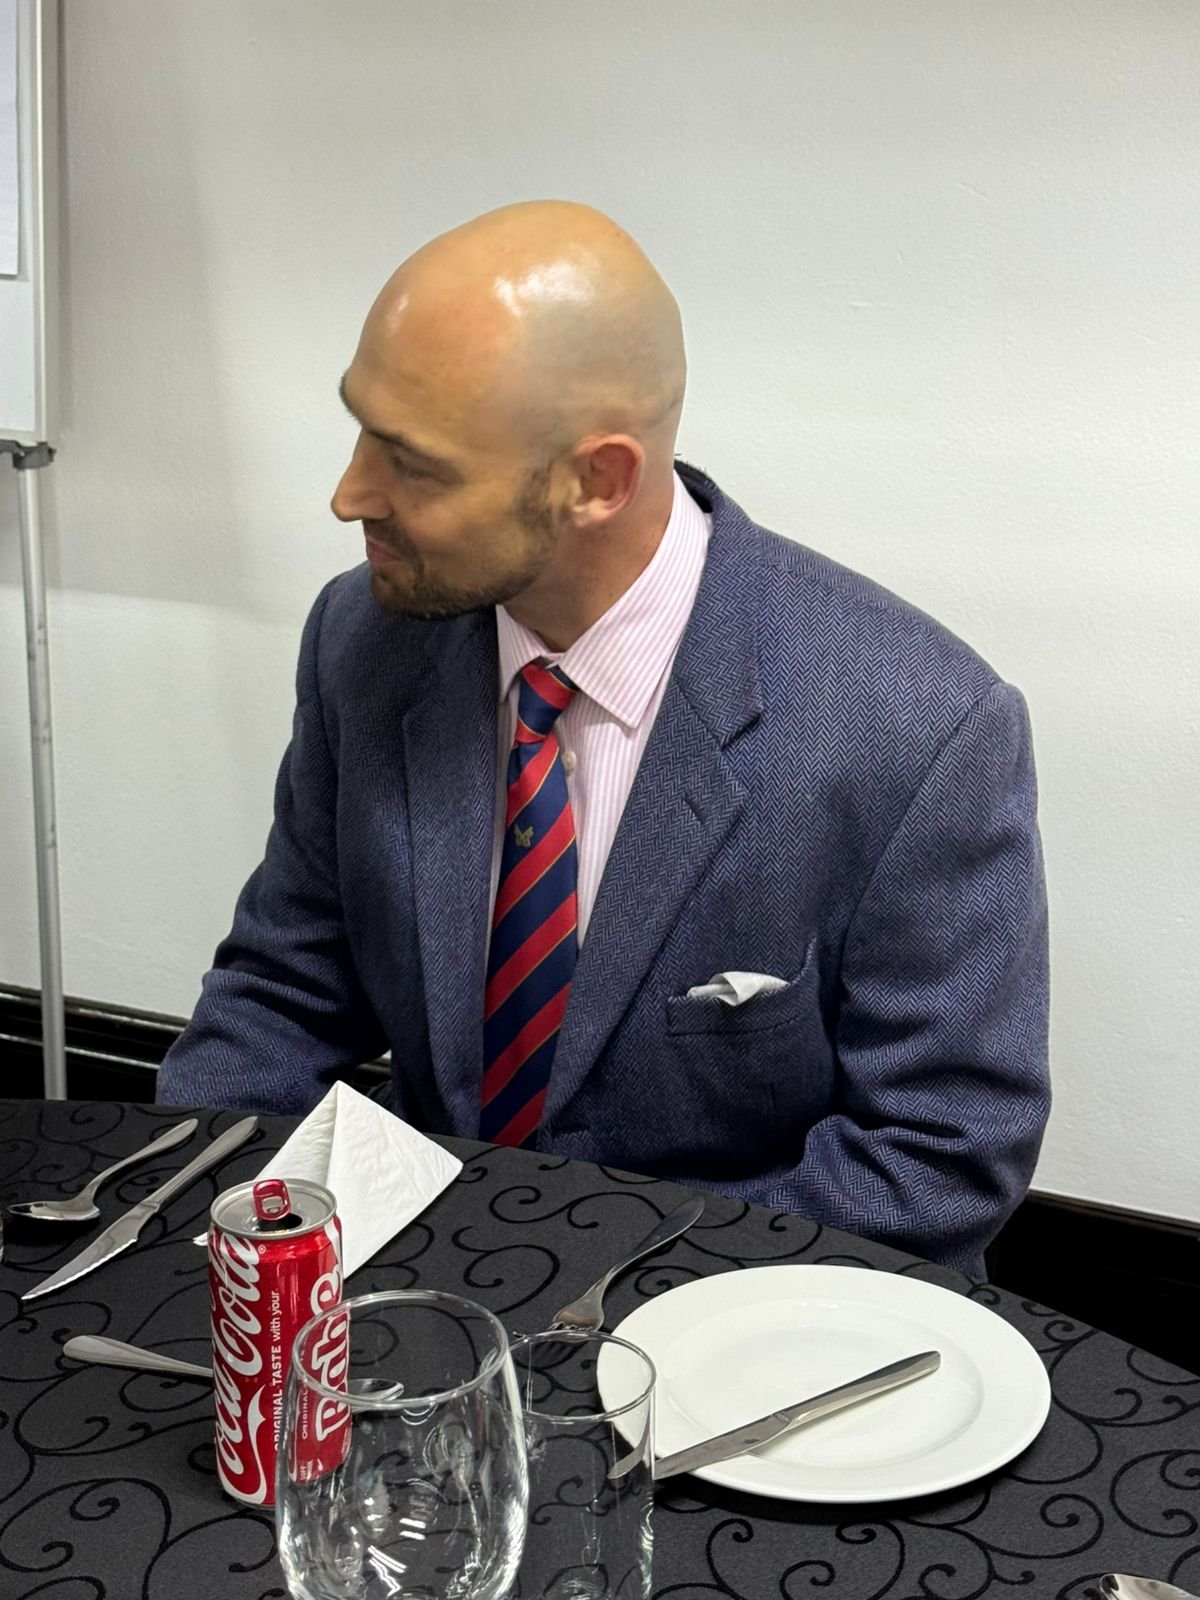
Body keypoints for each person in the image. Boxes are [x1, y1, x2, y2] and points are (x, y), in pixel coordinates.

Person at [157, 199, 1049, 1276]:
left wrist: (582, 1305)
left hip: (743, 1321)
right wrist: (224, 1253)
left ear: (598, 481)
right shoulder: (366, 640)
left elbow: (938, 1157)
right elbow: (281, 994)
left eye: (416, 465)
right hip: (413, 1289)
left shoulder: (918, 726)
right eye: (360, 427)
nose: (350, 495)